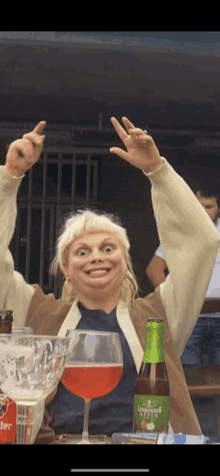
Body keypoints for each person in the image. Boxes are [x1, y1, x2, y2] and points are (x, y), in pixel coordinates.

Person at [0, 117, 219, 444]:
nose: (97, 257)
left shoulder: (157, 315)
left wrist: (157, 170)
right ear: (66, 267)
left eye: (107, 248)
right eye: (82, 252)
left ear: (124, 260)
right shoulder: (37, 311)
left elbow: (201, 244)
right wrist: (10, 176)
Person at [146, 187, 220, 367]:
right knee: (186, 376)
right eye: (197, 206)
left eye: (208, 206)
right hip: (189, 319)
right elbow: (154, 268)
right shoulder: (182, 230)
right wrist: (173, 300)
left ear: (219, 208)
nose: (202, 211)